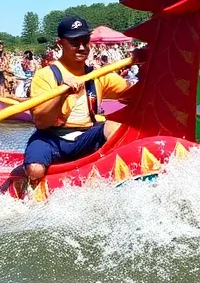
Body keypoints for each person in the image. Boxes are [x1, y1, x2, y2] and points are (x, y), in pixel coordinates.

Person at [23, 16, 132, 185]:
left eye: (85, 41)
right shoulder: (45, 75)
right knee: (35, 171)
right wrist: (62, 95)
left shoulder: (98, 75)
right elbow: (41, 122)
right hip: (52, 138)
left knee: (115, 126)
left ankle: (117, 176)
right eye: (74, 42)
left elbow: (132, 92)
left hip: (86, 136)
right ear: (60, 43)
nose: (82, 47)